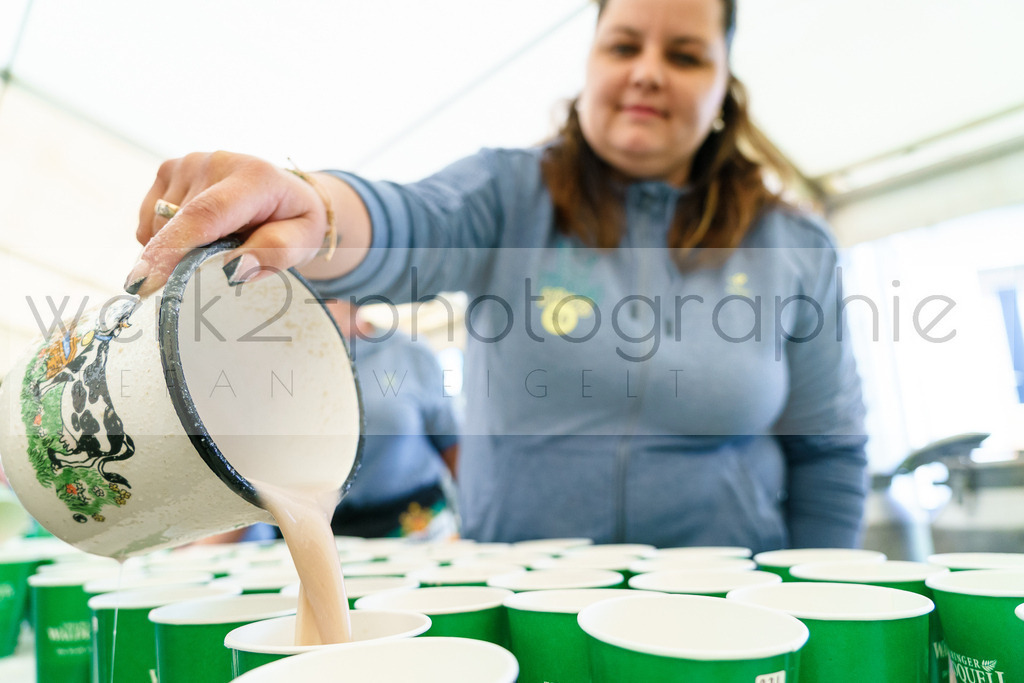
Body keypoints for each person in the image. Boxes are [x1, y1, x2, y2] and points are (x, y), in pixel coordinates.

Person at [126, 0, 868, 553]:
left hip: (727, 621)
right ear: (590, 66)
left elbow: (829, 450)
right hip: (523, 613)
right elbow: (413, 222)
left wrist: (812, 600)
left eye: (684, 54)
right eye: (623, 45)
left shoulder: (794, 244)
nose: (646, 71)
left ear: (723, 88)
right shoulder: (510, 196)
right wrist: (314, 205)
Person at [321, 299, 460, 540]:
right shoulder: (281, 364)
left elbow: (455, 450)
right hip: (325, 535)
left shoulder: (407, 351)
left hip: (418, 528)